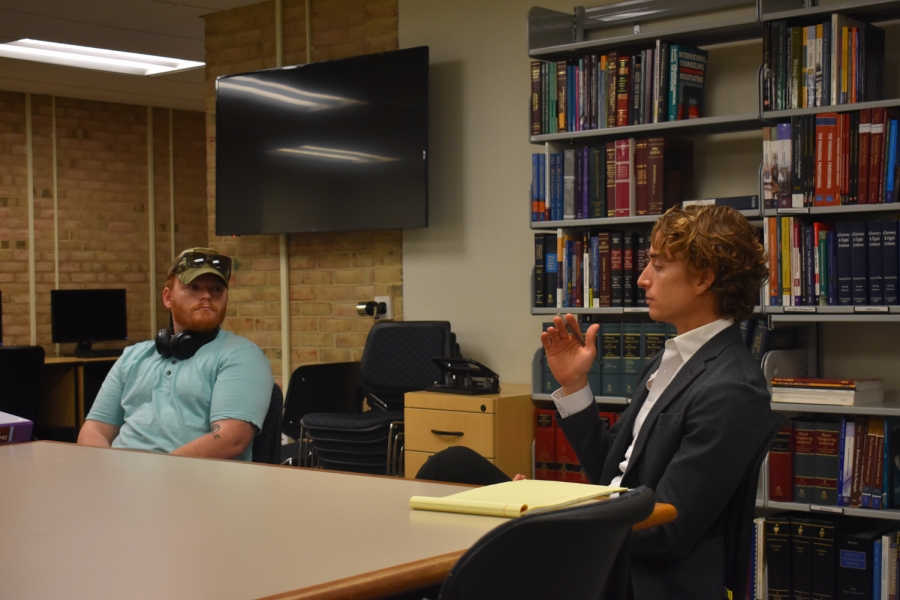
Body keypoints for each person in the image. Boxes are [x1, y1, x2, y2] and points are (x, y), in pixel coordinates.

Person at [416, 205, 775, 599]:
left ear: (704, 278)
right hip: (605, 536)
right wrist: (573, 386)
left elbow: (667, 531)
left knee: (461, 559)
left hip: (637, 575)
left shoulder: (732, 388)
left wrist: (551, 515)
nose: (642, 279)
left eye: (658, 266)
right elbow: (610, 474)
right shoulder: (669, 360)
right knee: (451, 465)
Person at [77, 247, 274, 462]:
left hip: (190, 485)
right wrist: (104, 471)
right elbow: (94, 429)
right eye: (194, 287)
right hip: (122, 481)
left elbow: (231, 439)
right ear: (168, 298)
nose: (207, 295)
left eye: (217, 288)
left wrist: (153, 474)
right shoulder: (133, 356)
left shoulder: (242, 356)